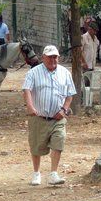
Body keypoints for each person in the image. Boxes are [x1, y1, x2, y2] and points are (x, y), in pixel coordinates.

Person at [21, 45, 76, 186]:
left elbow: (70, 95)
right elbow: (27, 90)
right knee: (36, 146)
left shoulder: (65, 73)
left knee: (59, 141)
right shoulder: (33, 72)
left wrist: (64, 109)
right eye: (50, 57)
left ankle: (53, 173)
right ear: (43, 58)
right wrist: (30, 107)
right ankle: (36, 173)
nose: (53, 59)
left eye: (55, 57)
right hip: (39, 117)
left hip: (58, 118)